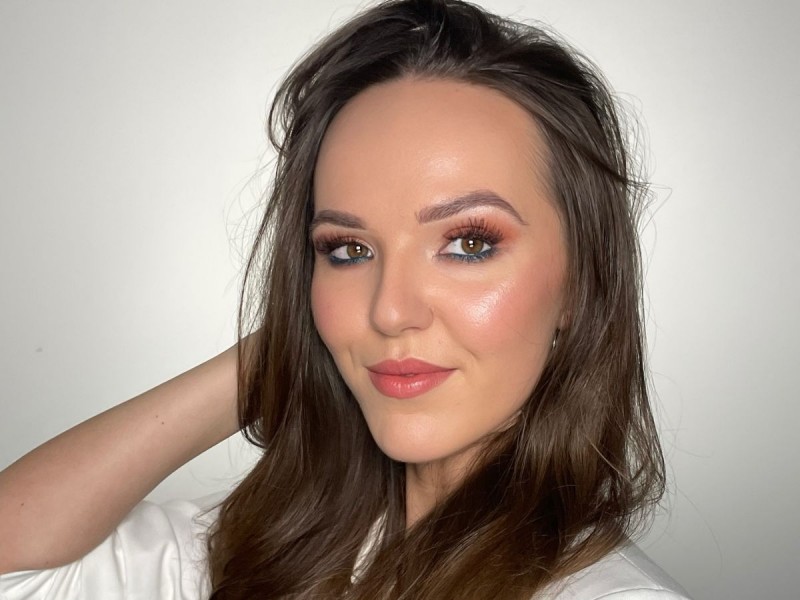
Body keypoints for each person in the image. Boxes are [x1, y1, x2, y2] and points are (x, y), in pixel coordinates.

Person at [0, 0, 693, 598]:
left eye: (469, 243)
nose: (388, 311)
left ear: (579, 285)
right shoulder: (263, 547)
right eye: (348, 250)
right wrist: (288, 347)